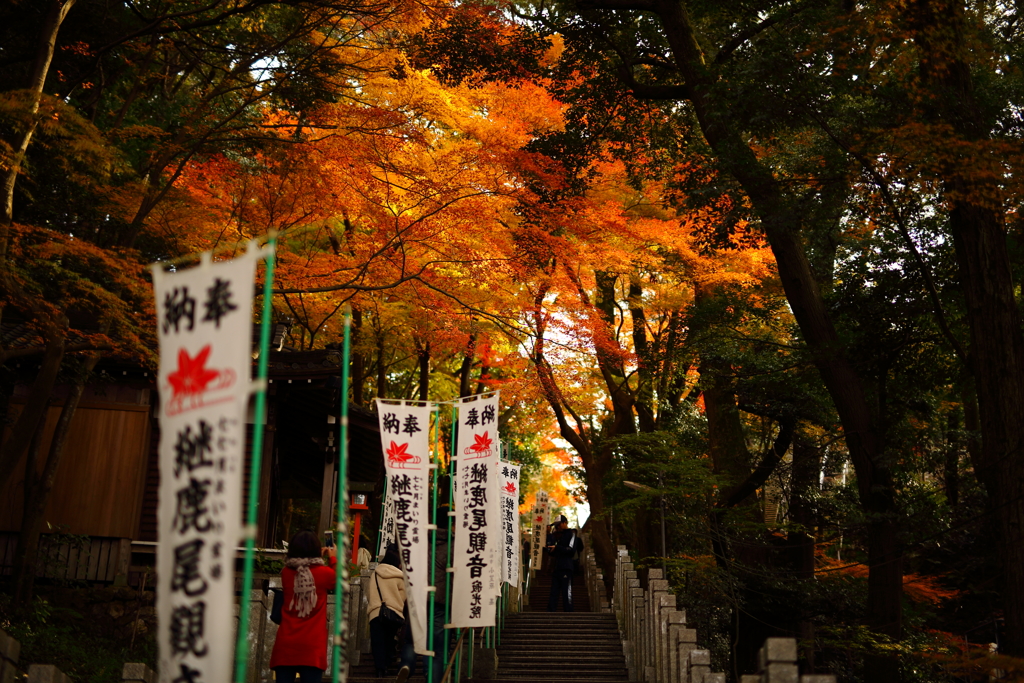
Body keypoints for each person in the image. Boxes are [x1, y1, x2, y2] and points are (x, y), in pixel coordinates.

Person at [269, 530, 338, 682]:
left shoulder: (286, 572)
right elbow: (337, 580)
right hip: (312, 646)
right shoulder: (324, 573)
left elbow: (304, 567)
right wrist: (332, 558)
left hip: (286, 644)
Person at [369, 543, 409, 681]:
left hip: (375, 613)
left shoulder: (374, 574)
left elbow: (370, 593)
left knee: (377, 641)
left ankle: (379, 669)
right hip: (393, 612)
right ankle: (387, 664)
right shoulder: (399, 576)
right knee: (389, 639)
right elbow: (403, 596)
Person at [545, 515, 583, 612]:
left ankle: (569, 612)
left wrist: (557, 548)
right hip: (556, 567)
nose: (557, 527)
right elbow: (550, 549)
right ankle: (550, 611)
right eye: (556, 525)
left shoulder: (572, 534)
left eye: (559, 525)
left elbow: (571, 550)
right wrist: (548, 534)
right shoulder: (556, 535)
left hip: (566, 566)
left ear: (565, 523)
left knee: (567, 591)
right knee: (554, 591)